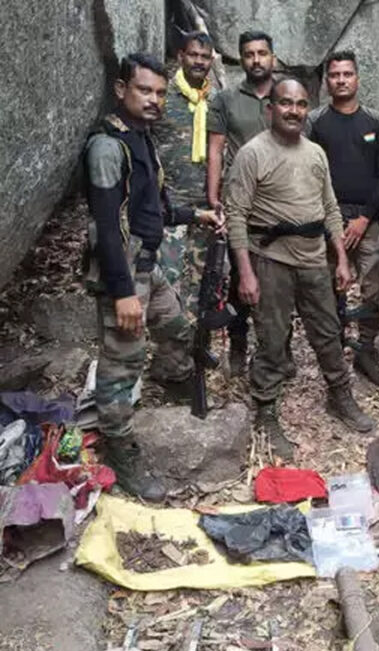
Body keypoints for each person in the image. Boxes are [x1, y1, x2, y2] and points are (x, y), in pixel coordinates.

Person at [84, 54, 223, 501]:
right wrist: (123, 294)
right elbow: (106, 225)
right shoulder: (109, 147)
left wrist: (194, 214)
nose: (154, 99)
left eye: (161, 92)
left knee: (177, 326)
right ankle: (120, 447)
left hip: (149, 263)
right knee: (121, 365)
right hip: (123, 271)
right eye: (145, 90)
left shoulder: (141, 139)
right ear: (122, 89)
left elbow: (154, 210)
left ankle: (171, 376)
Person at [226, 78, 374, 461]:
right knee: (273, 338)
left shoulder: (315, 154)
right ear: (269, 109)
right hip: (271, 259)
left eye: (301, 104)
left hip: (313, 258)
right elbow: (236, 216)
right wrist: (245, 272)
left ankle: (340, 396)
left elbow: (330, 208)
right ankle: (265, 408)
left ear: (308, 109)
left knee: (328, 331)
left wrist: (340, 258)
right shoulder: (252, 154)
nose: (293, 110)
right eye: (285, 103)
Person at [307, 50, 379, 387]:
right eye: (334, 75)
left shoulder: (376, 123)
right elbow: (312, 173)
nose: (341, 80)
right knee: (330, 285)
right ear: (327, 81)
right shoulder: (315, 122)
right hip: (329, 216)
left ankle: (366, 349)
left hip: (369, 219)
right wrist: (332, 221)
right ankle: (333, 351)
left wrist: (364, 219)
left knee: (374, 286)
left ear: (357, 78)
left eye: (347, 74)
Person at [207, 30, 276, 373]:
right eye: (249, 54)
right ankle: (238, 343)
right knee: (239, 276)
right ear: (242, 59)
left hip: (278, 201)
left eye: (262, 53)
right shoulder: (226, 99)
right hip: (240, 201)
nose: (256, 60)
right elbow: (216, 148)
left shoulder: (286, 96)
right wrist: (213, 195)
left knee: (278, 274)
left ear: (272, 58)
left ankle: (278, 347)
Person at [153, 30, 216, 312]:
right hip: (170, 211)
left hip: (207, 211)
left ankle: (195, 351)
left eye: (205, 56)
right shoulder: (161, 96)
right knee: (168, 287)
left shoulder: (217, 101)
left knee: (202, 289)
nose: (199, 61)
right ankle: (169, 354)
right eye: (193, 54)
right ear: (181, 56)